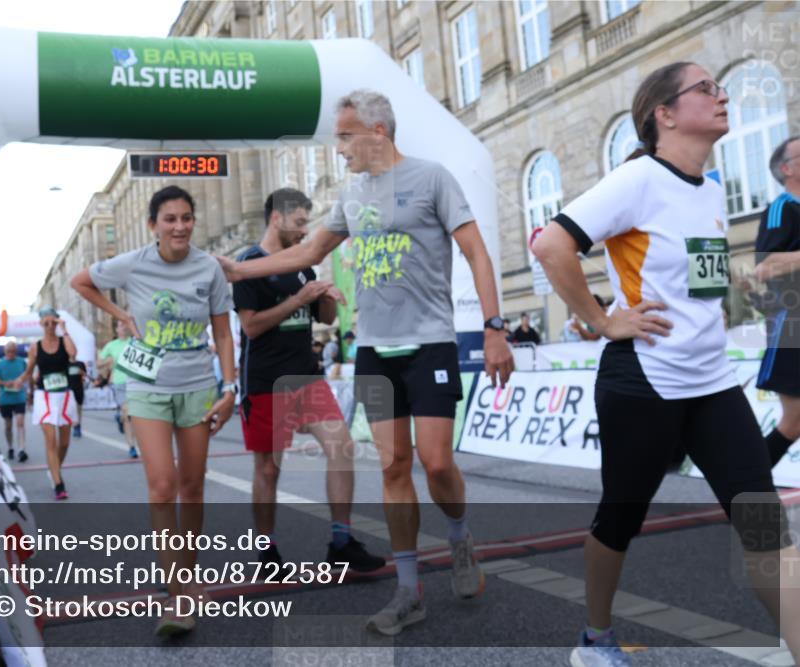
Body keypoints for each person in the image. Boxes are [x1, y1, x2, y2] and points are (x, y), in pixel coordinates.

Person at [218, 89, 514, 636]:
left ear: (378, 131)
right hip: (375, 351)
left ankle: (459, 535)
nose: (339, 148)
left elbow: (475, 251)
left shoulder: (432, 178)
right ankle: (408, 591)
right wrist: (240, 272)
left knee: (438, 463)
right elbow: (308, 253)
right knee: (394, 467)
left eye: (346, 135)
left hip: (430, 344)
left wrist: (494, 328)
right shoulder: (352, 195)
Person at [532, 62, 798, 665]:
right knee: (620, 518)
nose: (722, 95)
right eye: (706, 88)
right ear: (666, 114)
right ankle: (595, 639)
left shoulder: (709, 189)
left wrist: (729, 291)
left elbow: (691, 277)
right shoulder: (638, 179)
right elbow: (551, 245)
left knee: (762, 523)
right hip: (644, 382)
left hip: (711, 381)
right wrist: (603, 321)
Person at [71, 185, 237, 637]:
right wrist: (119, 315)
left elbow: (223, 334)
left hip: (199, 386)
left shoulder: (209, 268)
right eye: (170, 219)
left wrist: (231, 385)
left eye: (187, 217)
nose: (180, 226)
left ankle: (190, 571)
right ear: (153, 225)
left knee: (193, 487)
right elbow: (80, 281)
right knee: (162, 486)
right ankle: (178, 591)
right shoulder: (133, 263)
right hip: (146, 386)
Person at [234, 187, 386, 575]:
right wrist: (299, 299)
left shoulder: (305, 264)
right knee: (268, 469)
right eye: (300, 223)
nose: (305, 232)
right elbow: (251, 327)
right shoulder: (249, 263)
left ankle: (341, 542)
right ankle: (266, 553)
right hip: (265, 381)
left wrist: (328, 291)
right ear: (276, 218)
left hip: (306, 377)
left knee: (342, 445)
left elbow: (328, 320)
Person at [755, 135, 800, 467]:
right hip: (792, 324)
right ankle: (745, 482)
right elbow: (765, 266)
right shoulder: (782, 208)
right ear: (787, 169)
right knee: (794, 421)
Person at [13, 307, 77, 500]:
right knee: (51, 440)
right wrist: (20, 380)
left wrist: (64, 330)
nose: (50, 326)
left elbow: (73, 354)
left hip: (64, 395)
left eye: (53, 322)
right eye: (46, 323)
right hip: (44, 396)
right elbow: (29, 370)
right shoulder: (35, 347)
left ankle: (54, 469)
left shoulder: (64, 341)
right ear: (40, 324)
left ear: (58, 322)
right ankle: (59, 483)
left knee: (64, 443)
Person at [99, 319, 140, 458]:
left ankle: (120, 418)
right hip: (120, 383)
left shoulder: (135, 342)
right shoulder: (111, 345)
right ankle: (132, 446)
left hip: (137, 382)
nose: (123, 327)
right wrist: (108, 361)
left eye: (125, 324)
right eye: (120, 325)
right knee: (129, 414)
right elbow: (98, 363)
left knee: (134, 415)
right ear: (116, 329)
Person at [0, 341, 29, 462]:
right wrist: (4, 383)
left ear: (16, 351)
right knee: (8, 425)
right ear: (5, 352)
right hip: (5, 399)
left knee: (20, 423)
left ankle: (21, 449)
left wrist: (23, 383)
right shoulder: (0, 364)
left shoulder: (21, 362)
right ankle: (10, 447)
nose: (11, 354)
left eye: (13, 351)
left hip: (19, 397)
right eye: (9, 351)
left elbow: (27, 375)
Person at [67, 358, 87, 438]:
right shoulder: (64, 363)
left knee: (78, 408)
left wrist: (82, 373)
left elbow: (84, 375)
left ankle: (78, 426)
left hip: (79, 388)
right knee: (71, 408)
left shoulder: (80, 363)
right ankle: (74, 425)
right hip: (68, 389)